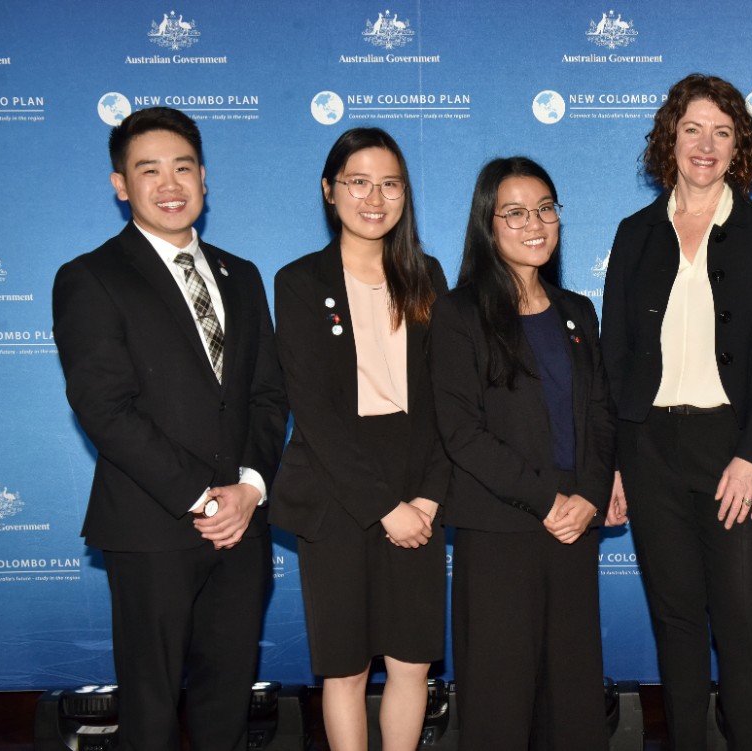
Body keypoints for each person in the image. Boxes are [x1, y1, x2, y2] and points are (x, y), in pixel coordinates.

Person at [51, 106, 288, 751]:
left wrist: (249, 489)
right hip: (152, 526)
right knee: (151, 712)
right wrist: (199, 496)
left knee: (227, 703)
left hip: (243, 526)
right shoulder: (90, 277)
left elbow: (269, 397)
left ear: (204, 178)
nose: (170, 184)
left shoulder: (242, 276)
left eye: (182, 167)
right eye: (147, 170)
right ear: (120, 185)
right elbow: (103, 407)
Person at [600, 73, 752, 750]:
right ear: (670, 138)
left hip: (733, 445)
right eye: (693, 129)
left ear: (739, 145)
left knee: (743, 623)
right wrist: (614, 464)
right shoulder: (635, 234)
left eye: (722, 131)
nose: (706, 145)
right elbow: (615, 356)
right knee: (677, 621)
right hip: (649, 446)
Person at [270, 128, 449, 751]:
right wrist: (383, 508)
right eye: (358, 182)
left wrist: (427, 498)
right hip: (336, 493)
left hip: (417, 485)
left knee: (411, 662)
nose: (375, 197)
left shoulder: (426, 275)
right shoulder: (297, 281)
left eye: (390, 183)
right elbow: (314, 414)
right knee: (345, 669)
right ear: (330, 190)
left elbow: (445, 401)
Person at [430, 157, 615, 750]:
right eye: (514, 212)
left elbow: (600, 413)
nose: (534, 223)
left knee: (573, 693)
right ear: (488, 223)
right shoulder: (459, 314)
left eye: (544, 208)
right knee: (500, 696)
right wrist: (549, 499)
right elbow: (461, 432)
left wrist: (588, 493)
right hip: (502, 526)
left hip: (575, 526)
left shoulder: (576, 311)